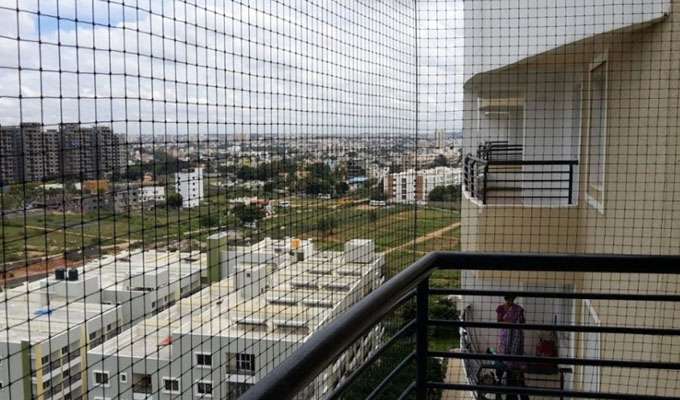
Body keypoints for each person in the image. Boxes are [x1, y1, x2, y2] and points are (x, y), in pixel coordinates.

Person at [496, 295, 529, 400]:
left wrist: (521, 319)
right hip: (505, 334)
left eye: (512, 300)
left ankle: (514, 365)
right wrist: (508, 322)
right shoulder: (501, 308)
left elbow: (523, 321)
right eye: (509, 300)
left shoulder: (518, 309)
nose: (511, 301)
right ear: (506, 299)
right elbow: (499, 321)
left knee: (515, 354)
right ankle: (508, 364)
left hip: (516, 335)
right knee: (505, 353)